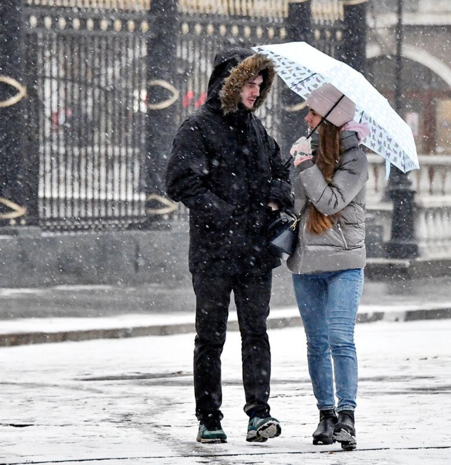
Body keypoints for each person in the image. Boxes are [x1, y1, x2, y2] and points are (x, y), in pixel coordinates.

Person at [165, 48, 292, 444]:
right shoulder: (197, 128)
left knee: (256, 332)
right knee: (211, 336)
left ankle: (259, 414)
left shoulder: (256, 130)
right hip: (214, 252)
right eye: (250, 84)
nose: (256, 92)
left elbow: (281, 170)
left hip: (256, 253)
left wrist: (275, 194)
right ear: (231, 84)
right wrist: (223, 214)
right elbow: (180, 182)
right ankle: (209, 417)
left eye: (260, 85)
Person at [287, 83, 370, 451]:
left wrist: (305, 165)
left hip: (344, 262)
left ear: (331, 121)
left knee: (340, 338)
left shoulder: (356, 160)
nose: (307, 118)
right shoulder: (307, 151)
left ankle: (347, 416)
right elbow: (298, 203)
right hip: (307, 262)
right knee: (316, 343)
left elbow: (330, 200)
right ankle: (326, 414)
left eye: (314, 113)